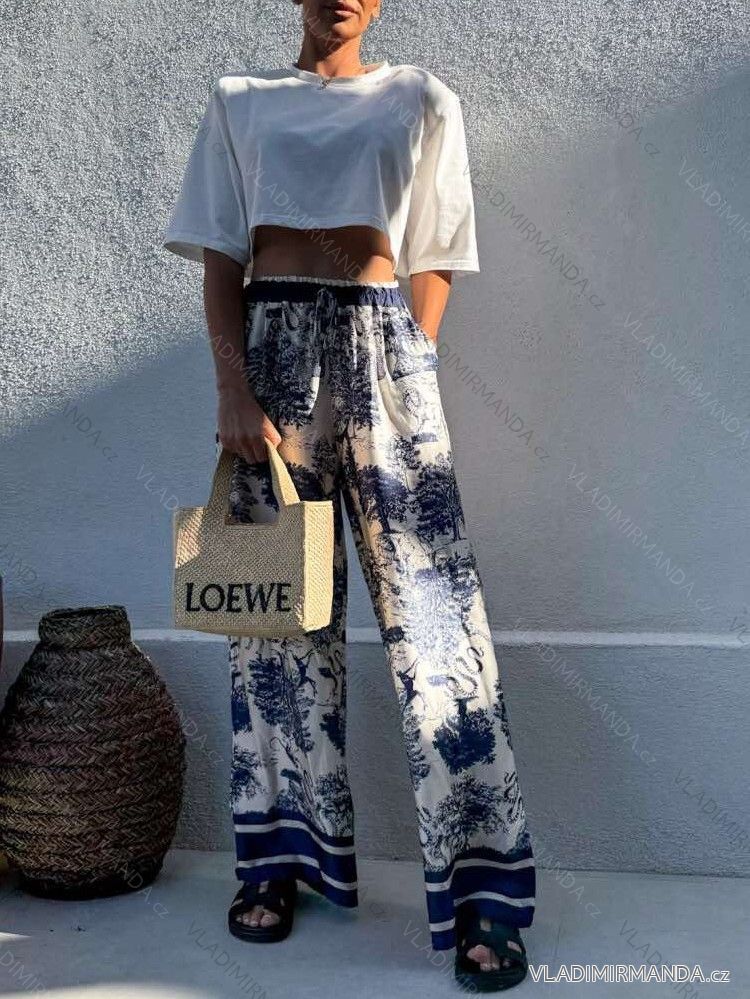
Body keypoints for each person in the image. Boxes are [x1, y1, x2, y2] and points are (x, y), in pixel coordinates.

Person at [161, 0, 535, 990]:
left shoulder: (423, 98)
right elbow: (222, 257)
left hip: (384, 349)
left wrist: (411, 360)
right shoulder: (240, 99)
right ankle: (277, 864)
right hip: (271, 355)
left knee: (439, 624)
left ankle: (485, 892)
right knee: (274, 629)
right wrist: (232, 387)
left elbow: (438, 252)